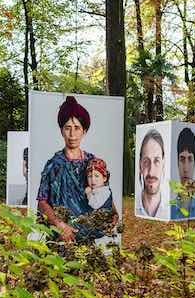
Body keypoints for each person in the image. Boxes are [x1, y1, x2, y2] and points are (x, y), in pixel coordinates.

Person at [38, 95, 117, 243]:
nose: (72, 134)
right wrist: (59, 224)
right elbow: (42, 202)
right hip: (61, 238)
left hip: (87, 237)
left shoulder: (92, 162)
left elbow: (104, 193)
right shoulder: (53, 165)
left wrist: (113, 214)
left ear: (84, 131)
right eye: (67, 128)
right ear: (61, 131)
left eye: (77, 128)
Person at [136, 128, 168, 219]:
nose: (151, 172)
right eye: (146, 162)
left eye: (156, 161)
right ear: (140, 165)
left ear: (163, 164)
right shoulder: (133, 207)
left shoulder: (171, 210)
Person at [171, 127, 195, 219]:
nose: (186, 169)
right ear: (177, 161)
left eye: (190, 159)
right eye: (182, 159)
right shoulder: (171, 207)